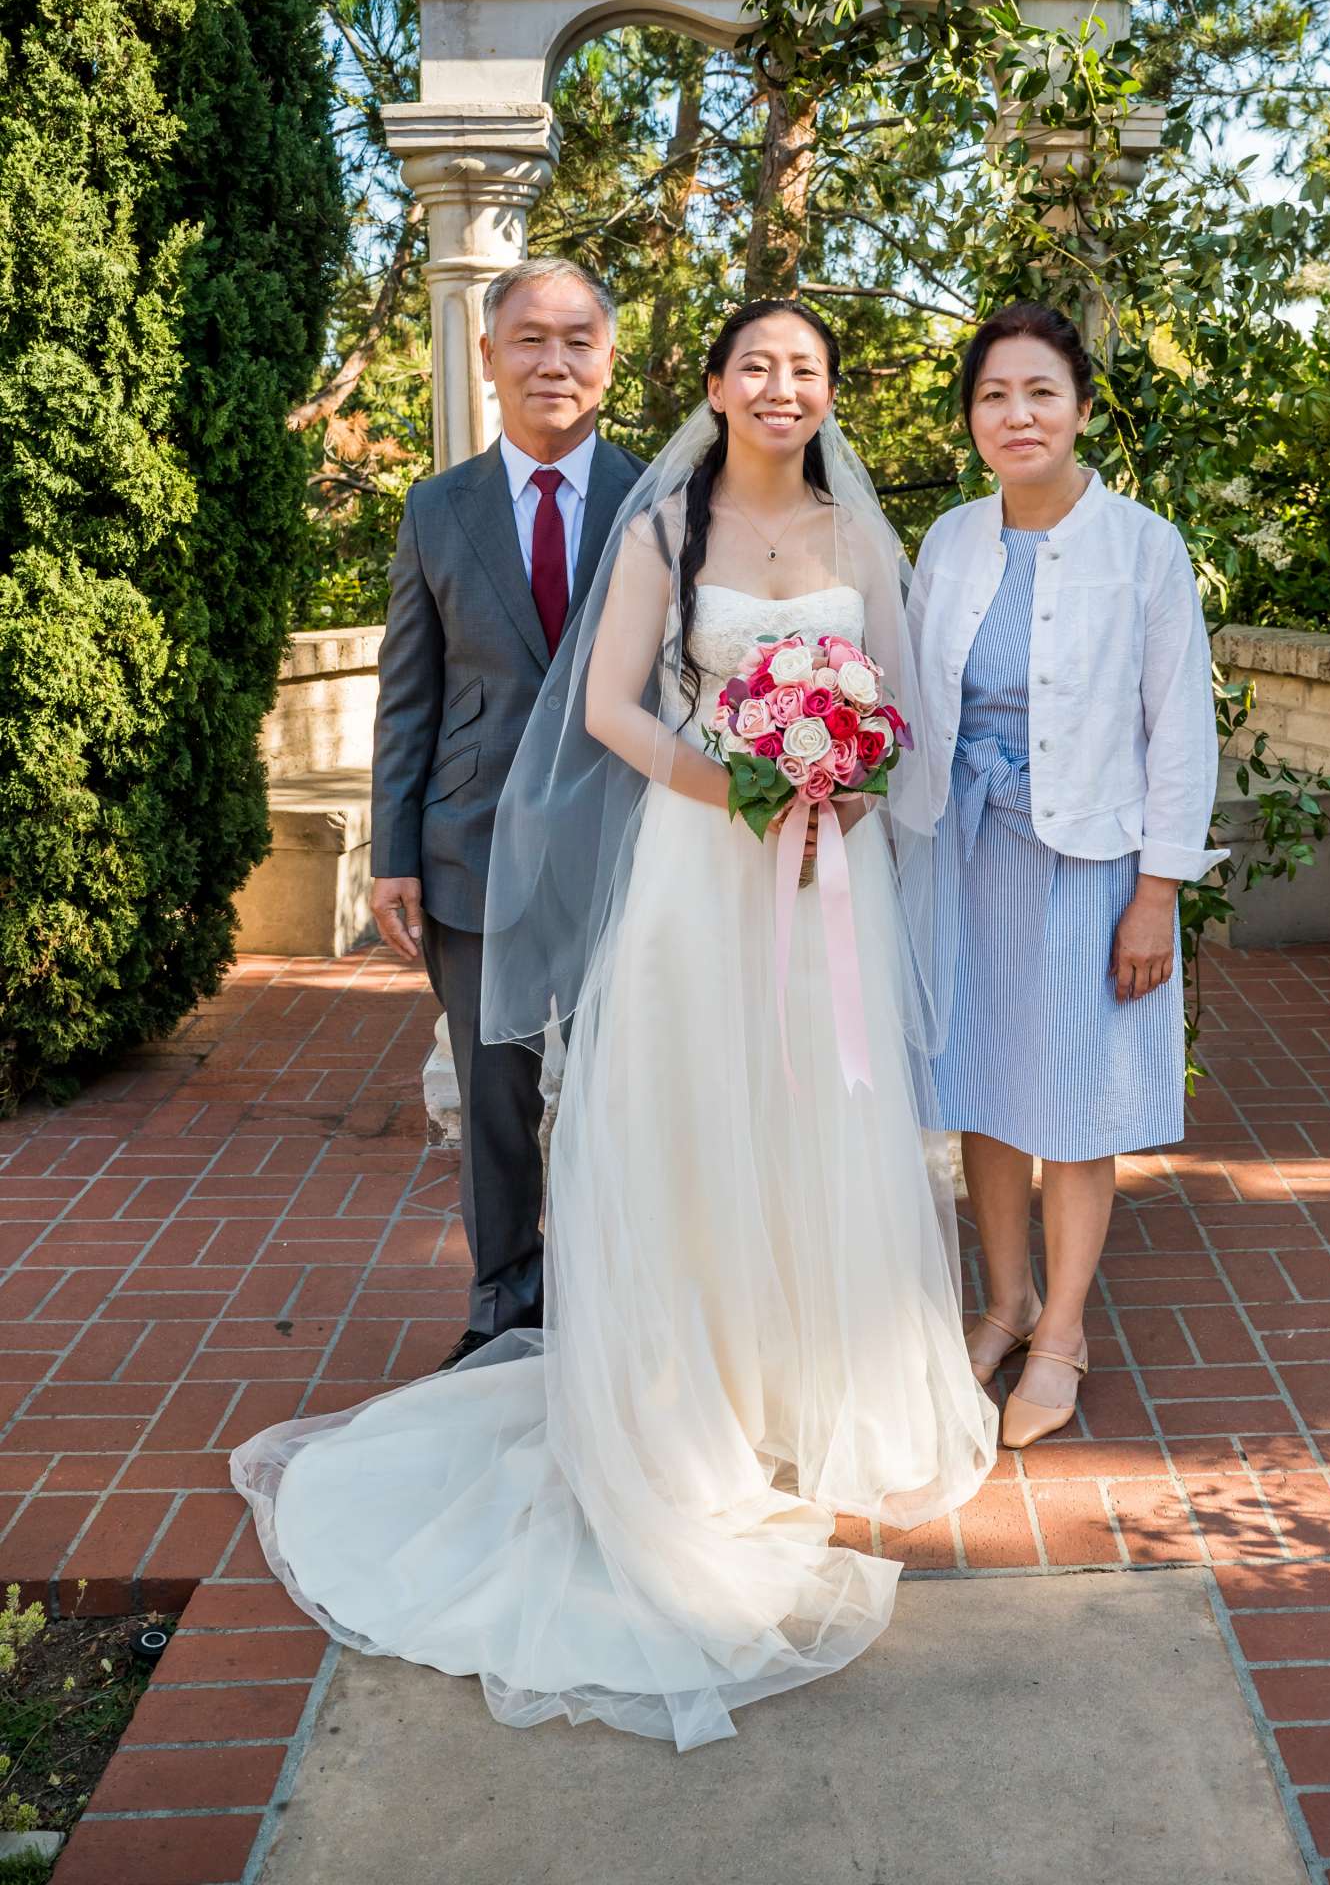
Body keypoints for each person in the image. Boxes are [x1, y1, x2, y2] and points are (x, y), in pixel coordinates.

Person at [232, 299, 996, 1752]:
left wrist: (840, 770)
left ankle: (810, 1383)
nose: (781, 387)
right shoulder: (663, 528)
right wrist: (745, 785)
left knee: (816, 1113)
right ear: (714, 385)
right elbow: (609, 709)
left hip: (830, 875)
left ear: (831, 394)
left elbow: (897, 708)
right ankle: (689, 1391)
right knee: (696, 1116)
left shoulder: (855, 532)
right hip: (704, 874)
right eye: (755, 365)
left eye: (807, 369)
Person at [909, 302, 1220, 1451]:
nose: (1017, 414)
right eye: (994, 396)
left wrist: (1159, 893)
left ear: (1083, 409)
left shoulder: (1144, 546)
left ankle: (1065, 1334)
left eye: (1040, 392)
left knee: (1078, 1109)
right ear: (973, 420)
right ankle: (1005, 1302)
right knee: (985, 1090)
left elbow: (1181, 732)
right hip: (969, 854)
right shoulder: (947, 542)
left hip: (1095, 863)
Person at [367, 256, 643, 1370]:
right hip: (471, 845)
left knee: (624, 1085)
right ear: (487, 356)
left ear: (608, 359)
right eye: (529, 337)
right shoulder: (438, 510)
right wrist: (393, 855)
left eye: (579, 338)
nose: (554, 359)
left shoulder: (662, 499)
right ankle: (500, 1308)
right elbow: (409, 692)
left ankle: (614, 1297)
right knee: (495, 1095)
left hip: (627, 845)